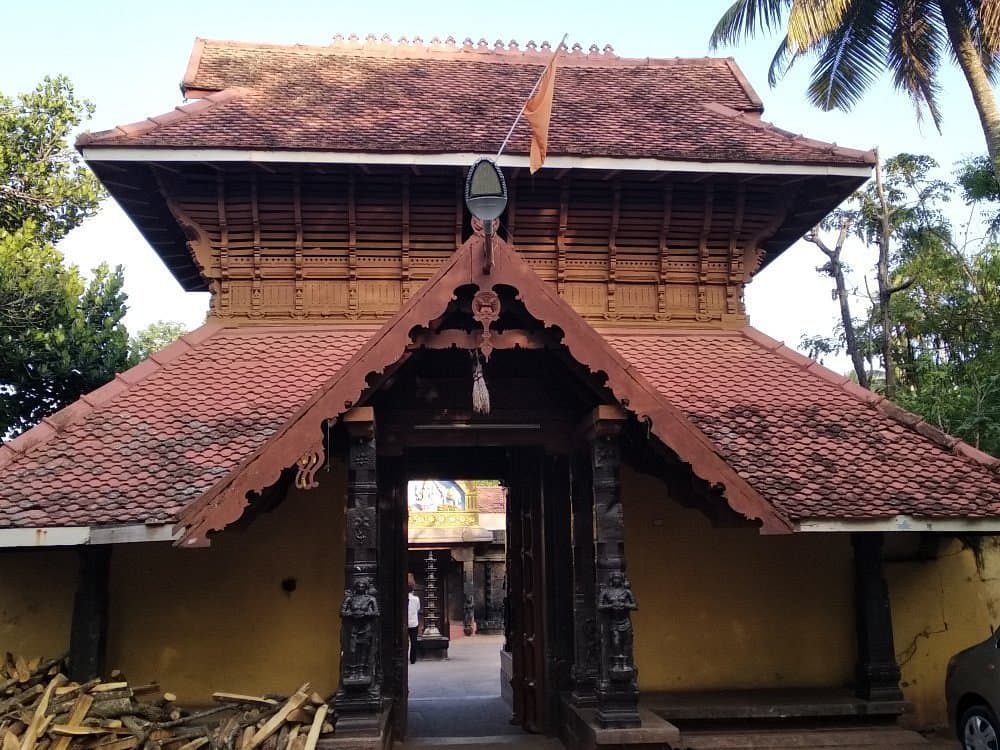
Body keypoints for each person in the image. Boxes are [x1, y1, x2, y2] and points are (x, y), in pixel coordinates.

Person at [407, 584, 421, 664]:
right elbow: (418, 608)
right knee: (413, 641)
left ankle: (404, 656)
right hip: (414, 622)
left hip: (406, 622)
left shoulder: (404, 598)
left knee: (405, 641)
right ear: (412, 591)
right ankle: (413, 659)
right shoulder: (416, 599)